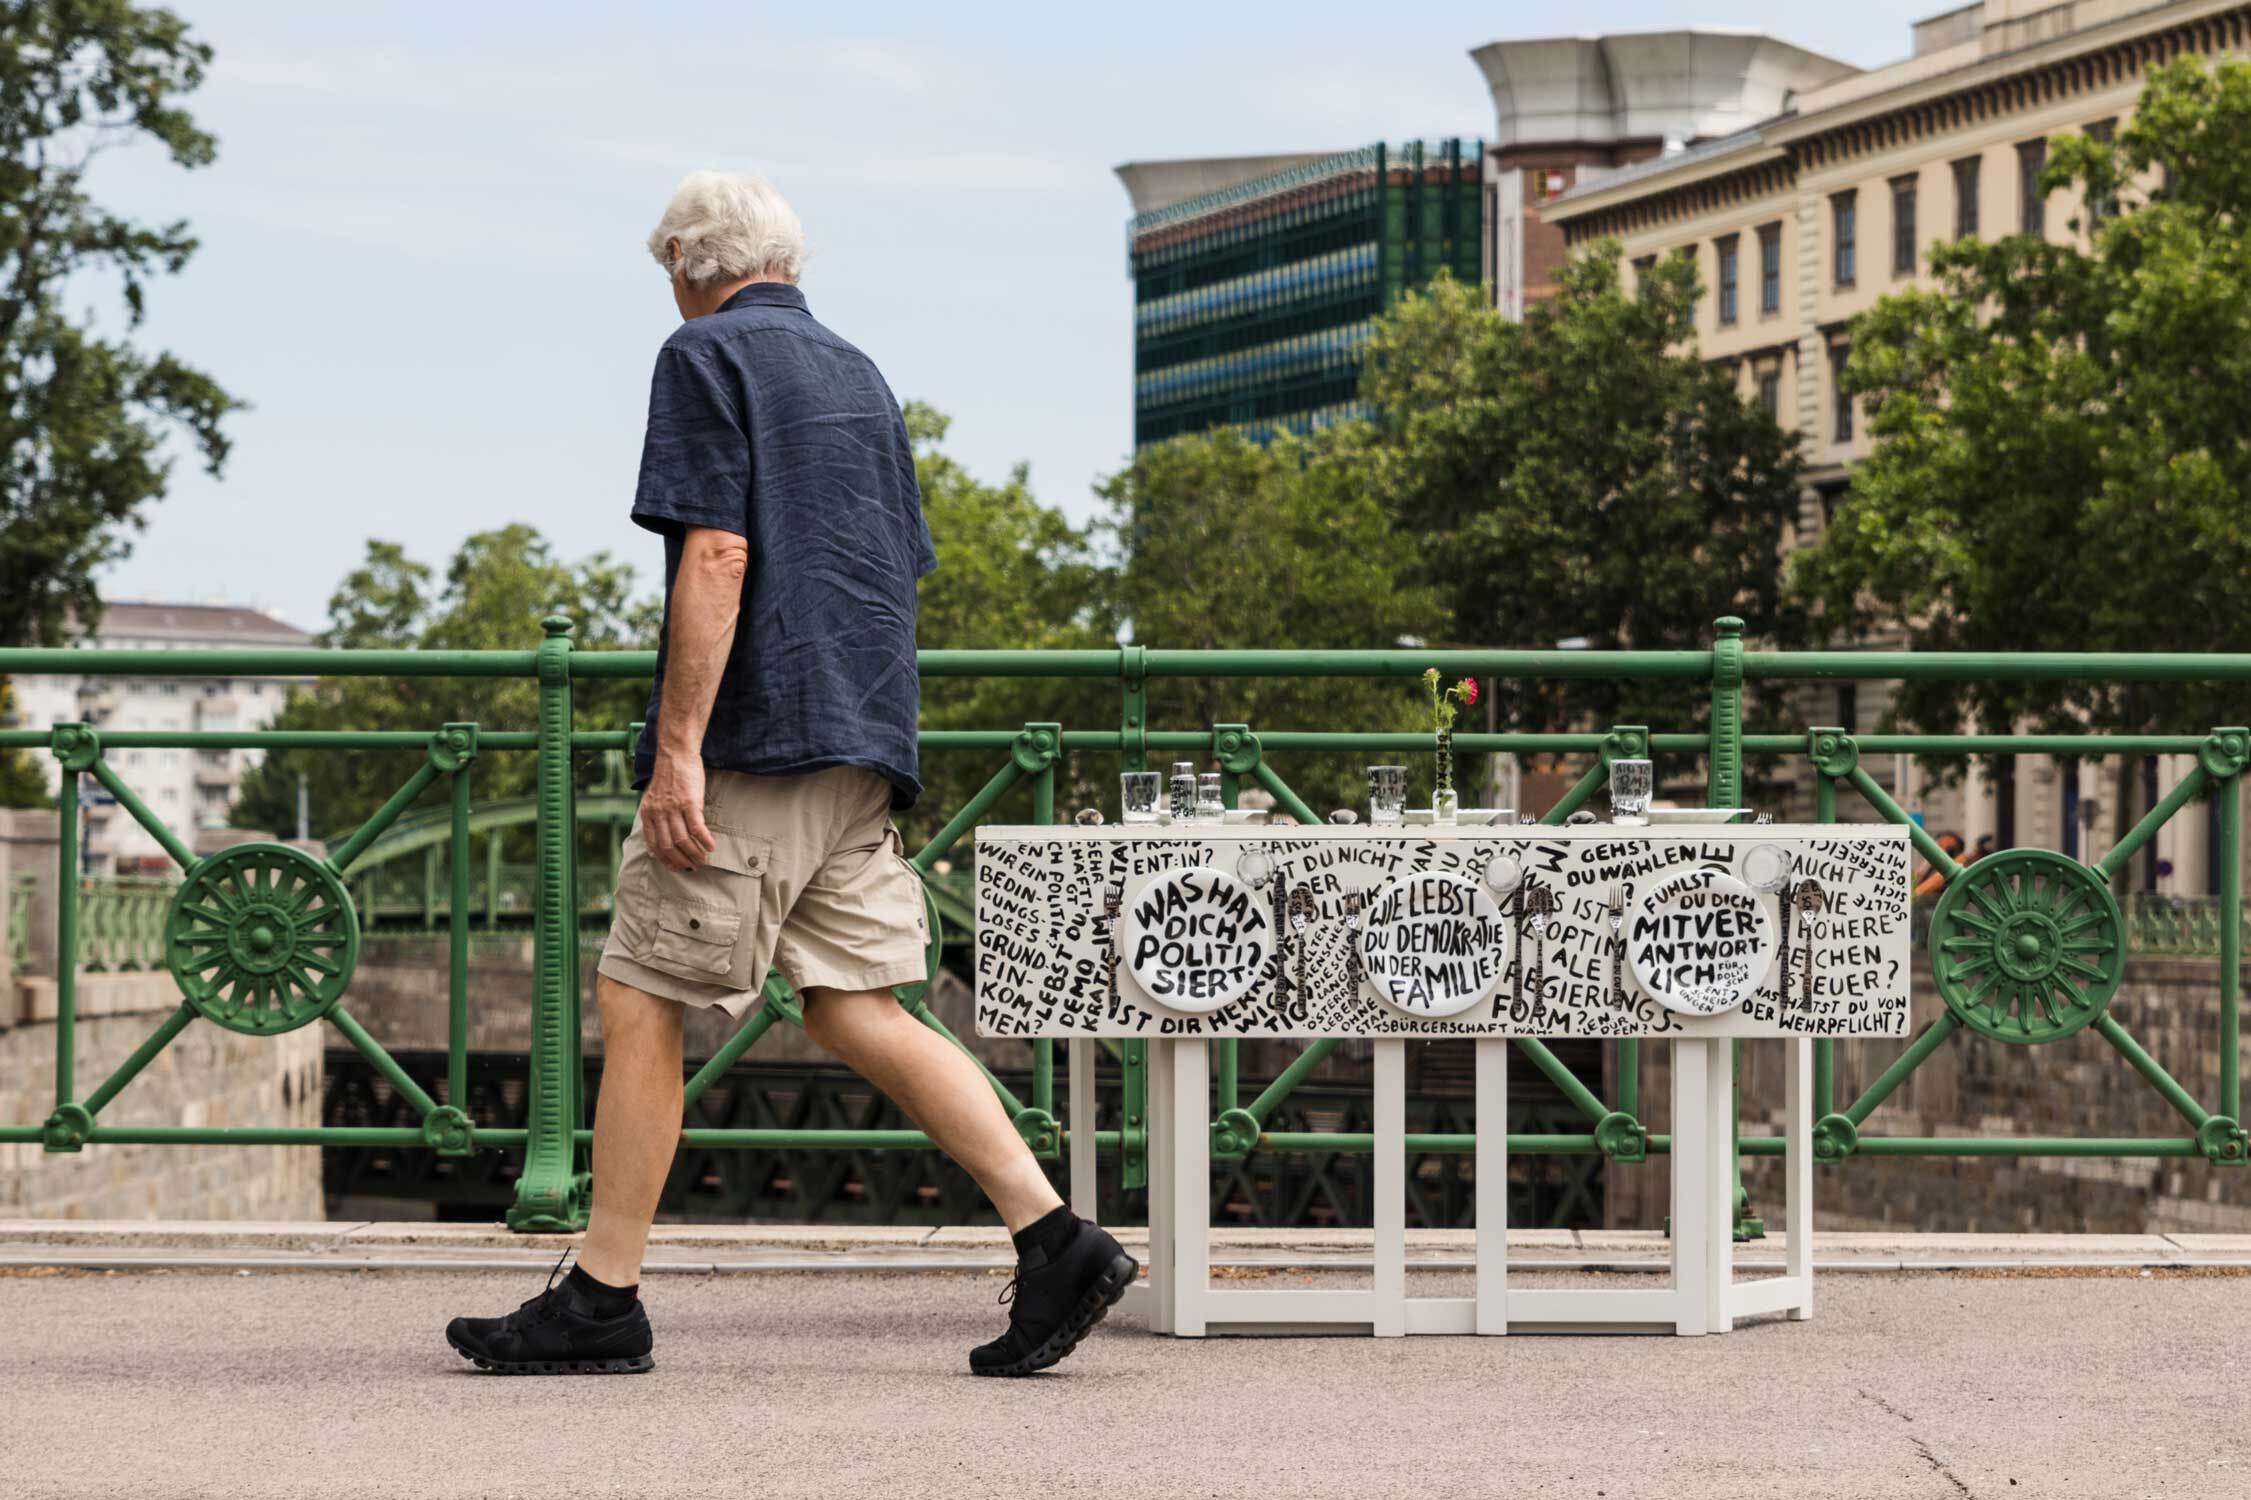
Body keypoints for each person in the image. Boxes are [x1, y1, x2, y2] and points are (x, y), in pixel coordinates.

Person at [444, 172, 1134, 1378]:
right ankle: (1055, 1237)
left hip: (760, 739)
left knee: (640, 992)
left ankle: (602, 1296)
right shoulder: (859, 372)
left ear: (686, 264)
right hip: (865, 736)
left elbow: (717, 553)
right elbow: (889, 565)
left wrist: (678, 751)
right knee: (856, 1004)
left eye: (666, 272)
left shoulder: (702, 354)